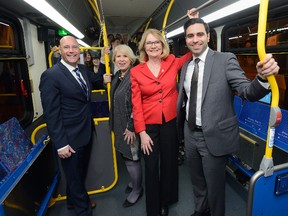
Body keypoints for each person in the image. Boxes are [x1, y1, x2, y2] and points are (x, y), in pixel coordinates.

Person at [176, 18, 279, 216]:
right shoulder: (186, 66)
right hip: (190, 134)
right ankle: (201, 209)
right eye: (190, 36)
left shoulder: (225, 60)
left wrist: (262, 77)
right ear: (186, 40)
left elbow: (246, 91)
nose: (195, 39)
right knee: (197, 180)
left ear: (208, 37)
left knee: (215, 186)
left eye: (199, 34)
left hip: (213, 136)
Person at [130, 9, 198, 216]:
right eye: (149, 43)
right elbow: (136, 104)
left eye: (156, 42)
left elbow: (195, 49)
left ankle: (166, 201)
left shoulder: (172, 62)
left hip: (169, 122)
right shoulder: (136, 71)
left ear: (162, 45)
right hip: (148, 127)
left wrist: (193, 23)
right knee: (151, 167)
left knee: (169, 164)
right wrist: (141, 133)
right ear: (144, 47)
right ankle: (153, 207)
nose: (153, 46)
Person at [39, 35, 97, 216]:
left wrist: (105, 77)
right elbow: (51, 113)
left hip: (86, 131)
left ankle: (73, 201)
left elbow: (85, 91)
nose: (71, 51)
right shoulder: (51, 75)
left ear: (79, 50)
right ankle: (83, 210)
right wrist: (61, 143)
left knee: (79, 173)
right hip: (69, 137)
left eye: (74, 47)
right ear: (59, 50)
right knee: (74, 176)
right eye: (67, 48)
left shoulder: (81, 69)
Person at [103, 44, 143, 208]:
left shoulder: (135, 75)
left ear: (131, 58)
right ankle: (134, 183)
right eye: (118, 57)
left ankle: (138, 189)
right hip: (119, 126)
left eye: (125, 56)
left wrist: (132, 127)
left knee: (131, 159)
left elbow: (138, 104)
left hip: (129, 127)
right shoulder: (118, 76)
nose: (121, 59)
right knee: (126, 157)